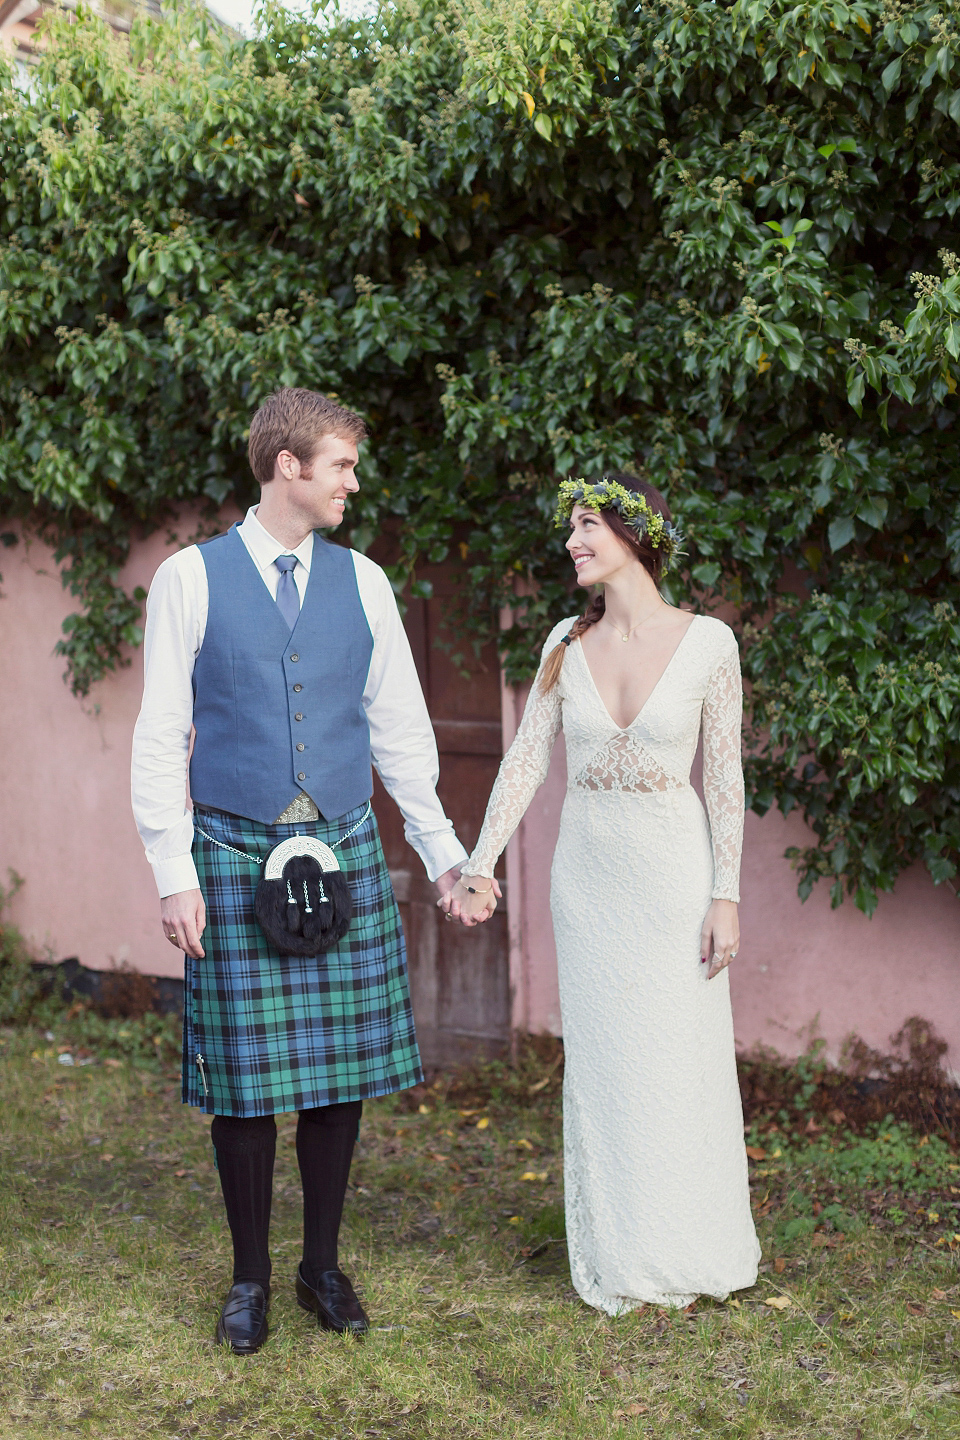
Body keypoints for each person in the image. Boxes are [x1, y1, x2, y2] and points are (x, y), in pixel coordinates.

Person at [131, 387, 471, 1354]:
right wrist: (172, 869)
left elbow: (401, 735)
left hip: (344, 845)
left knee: (337, 1077)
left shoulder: (365, 582)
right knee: (242, 1083)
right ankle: (249, 1280)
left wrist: (444, 857)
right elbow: (160, 737)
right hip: (231, 852)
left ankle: (322, 1265)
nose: (352, 484)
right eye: (341, 466)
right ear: (288, 466)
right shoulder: (187, 580)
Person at [440, 473, 760, 1313]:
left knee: (678, 1058)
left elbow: (724, 779)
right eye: (570, 528)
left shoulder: (709, 643)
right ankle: (622, 1254)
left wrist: (726, 893)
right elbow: (525, 760)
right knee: (609, 1062)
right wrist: (482, 862)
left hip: (673, 875)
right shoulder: (562, 644)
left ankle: (691, 1245)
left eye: (588, 525)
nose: (573, 541)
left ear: (637, 532)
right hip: (588, 881)